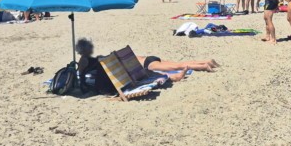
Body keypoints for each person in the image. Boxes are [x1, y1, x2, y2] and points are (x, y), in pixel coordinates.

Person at [75, 38, 219, 92]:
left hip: (148, 64)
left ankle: (204, 65)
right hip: (148, 59)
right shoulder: (103, 58)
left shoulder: (90, 61)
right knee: (178, 64)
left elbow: (82, 72)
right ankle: (206, 62)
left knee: (178, 66)